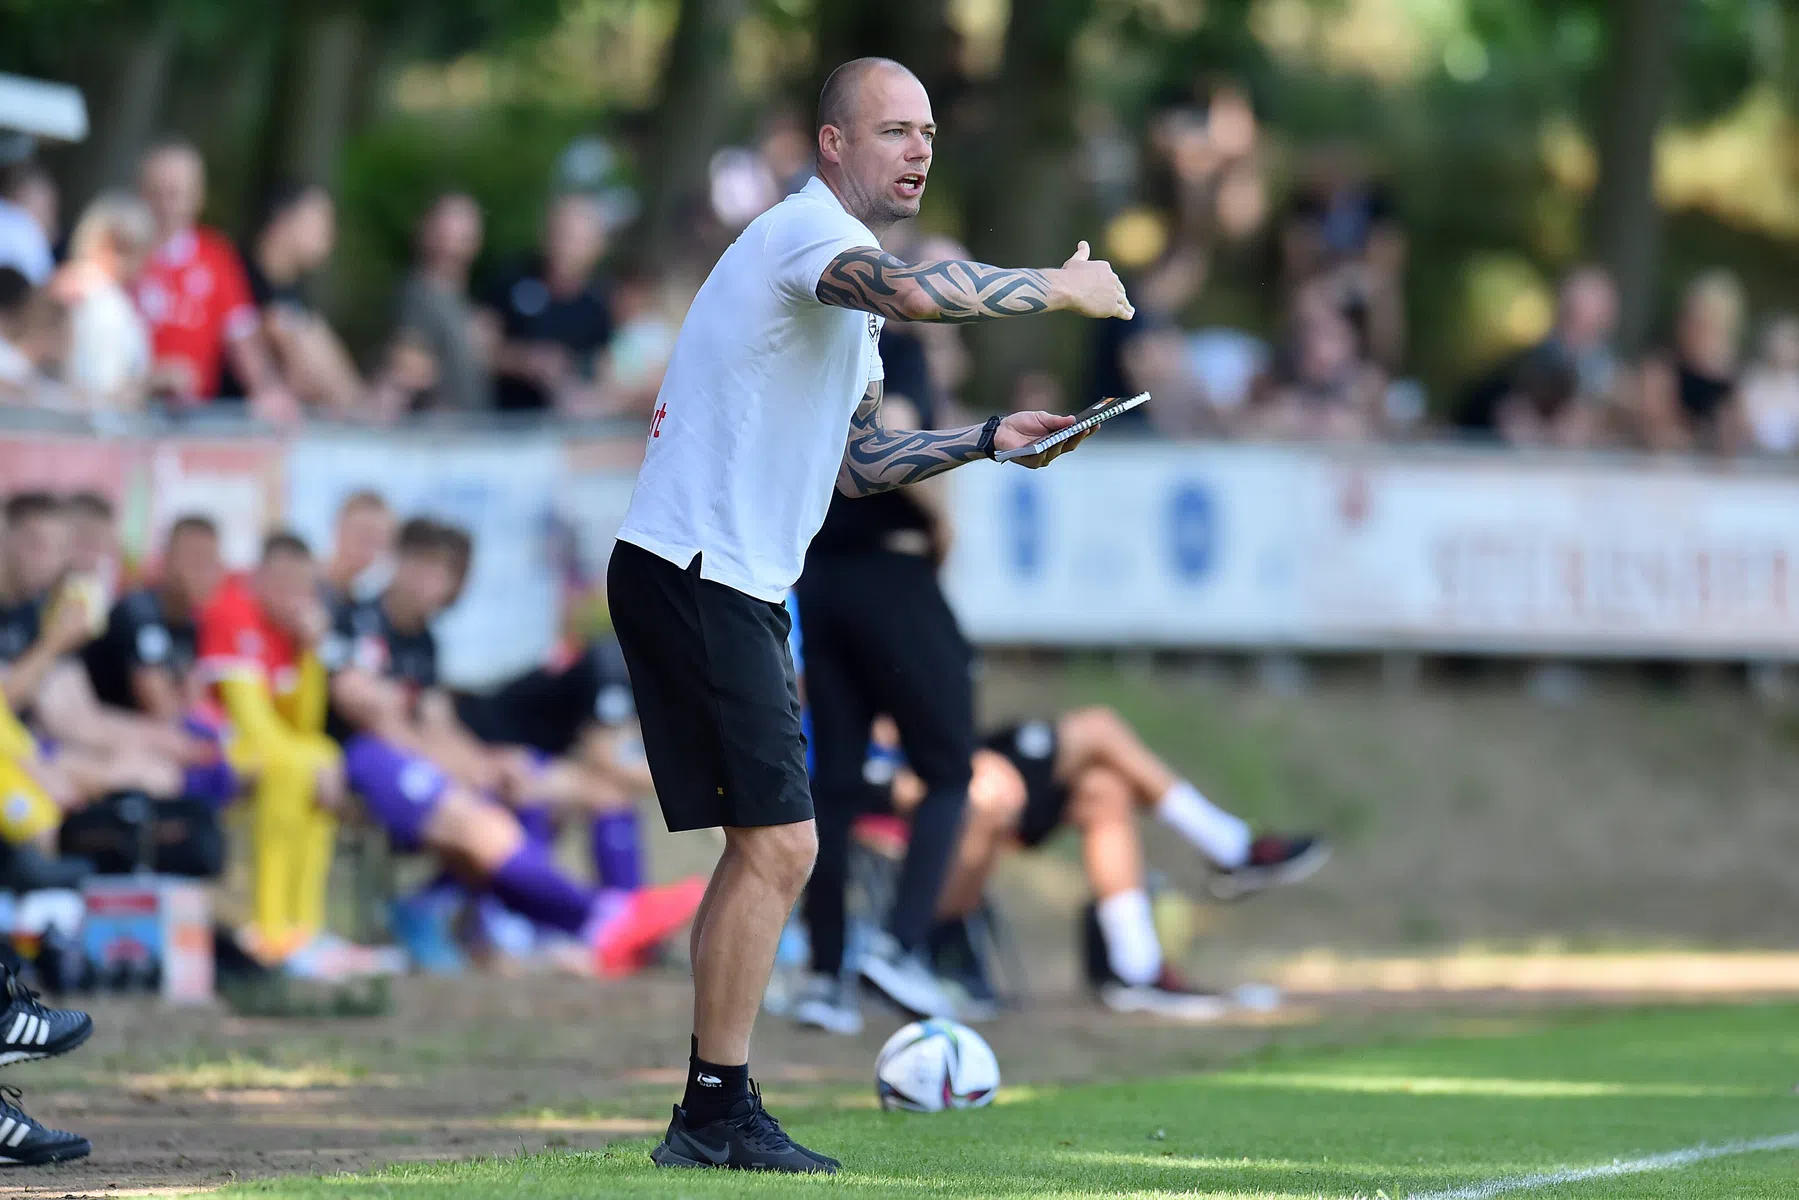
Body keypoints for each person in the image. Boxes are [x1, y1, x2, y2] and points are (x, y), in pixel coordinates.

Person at [607, 55, 1133, 1174]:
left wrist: (989, 439)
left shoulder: (842, 301)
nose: (919, 149)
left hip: (729, 580)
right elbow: (909, 290)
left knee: (764, 850)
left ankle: (711, 1107)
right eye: (893, 130)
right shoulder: (801, 235)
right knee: (786, 846)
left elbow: (858, 463)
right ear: (831, 145)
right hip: (694, 570)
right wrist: (1054, 285)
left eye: (928, 132)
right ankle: (716, 1110)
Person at [319, 519, 703, 975]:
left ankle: (596, 922)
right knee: (485, 825)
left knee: (541, 796)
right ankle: (604, 920)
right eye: (424, 568)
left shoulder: (424, 641)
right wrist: (454, 765)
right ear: (398, 562)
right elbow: (372, 716)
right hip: (361, 764)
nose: (432, 585)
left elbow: (436, 722)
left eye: (445, 575)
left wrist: (483, 765)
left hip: (430, 760)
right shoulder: (356, 618)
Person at [791, 232, 980, 1033]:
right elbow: (891, 438)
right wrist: (942, 528)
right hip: (887, 573)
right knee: (946, 765)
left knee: (832, 781)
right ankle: (899, 949)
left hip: (818, 580)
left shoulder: (828, 340)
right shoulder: (895, 347)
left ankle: (827, 973)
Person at [875, 708, 1327, 1023]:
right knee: (1095, 729)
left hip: (965, 788)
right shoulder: (834, 694)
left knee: (1103, 787)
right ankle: (1231, 847)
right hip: (930, 846)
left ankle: (1137, 969)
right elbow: (861, 786)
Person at [134, 141, 288, 414]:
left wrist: (266, 390)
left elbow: (242, 339)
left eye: (175, 194)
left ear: (197, 197)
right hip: (127, 408)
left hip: (188, 418)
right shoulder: (121, 254)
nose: (165, 206)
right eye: (156, 192)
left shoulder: (216, 257)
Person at [481, 194, 613, 414]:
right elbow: (476, 351)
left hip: (561, 432)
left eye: (576, 239)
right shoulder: (510, 281)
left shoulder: (597, 305)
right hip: (499, 423)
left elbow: (604, 373)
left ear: (597, 248)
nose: (564, 246)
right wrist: (524, 361)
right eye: (560, 234)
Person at [393, 192, 494, 414]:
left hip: (472, 435)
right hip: (441, 439)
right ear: (426, 232)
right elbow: (407, 372)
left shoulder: (459, 300)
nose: (453, 231)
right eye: (447, 222)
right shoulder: (419, 297)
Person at [56, 192, 156, 410]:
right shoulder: (99, 300)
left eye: (132, 248)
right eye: (117, 246)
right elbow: (105, 392)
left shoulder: (82, 287)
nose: (124, 259)